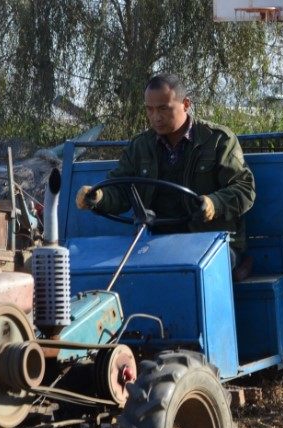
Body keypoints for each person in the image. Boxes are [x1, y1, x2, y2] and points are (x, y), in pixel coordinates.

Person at [76, 74, 256, 281]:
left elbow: (244, 189)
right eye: (149, 110)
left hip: (211, 242)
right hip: (154, 242)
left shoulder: (217, 141)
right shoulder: (140, 147)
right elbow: (121, 190)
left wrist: (213, 203)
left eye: (163, 108)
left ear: (186, 104)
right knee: (110, 271)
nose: (156, 117)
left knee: (187, 268)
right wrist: (98, 196)